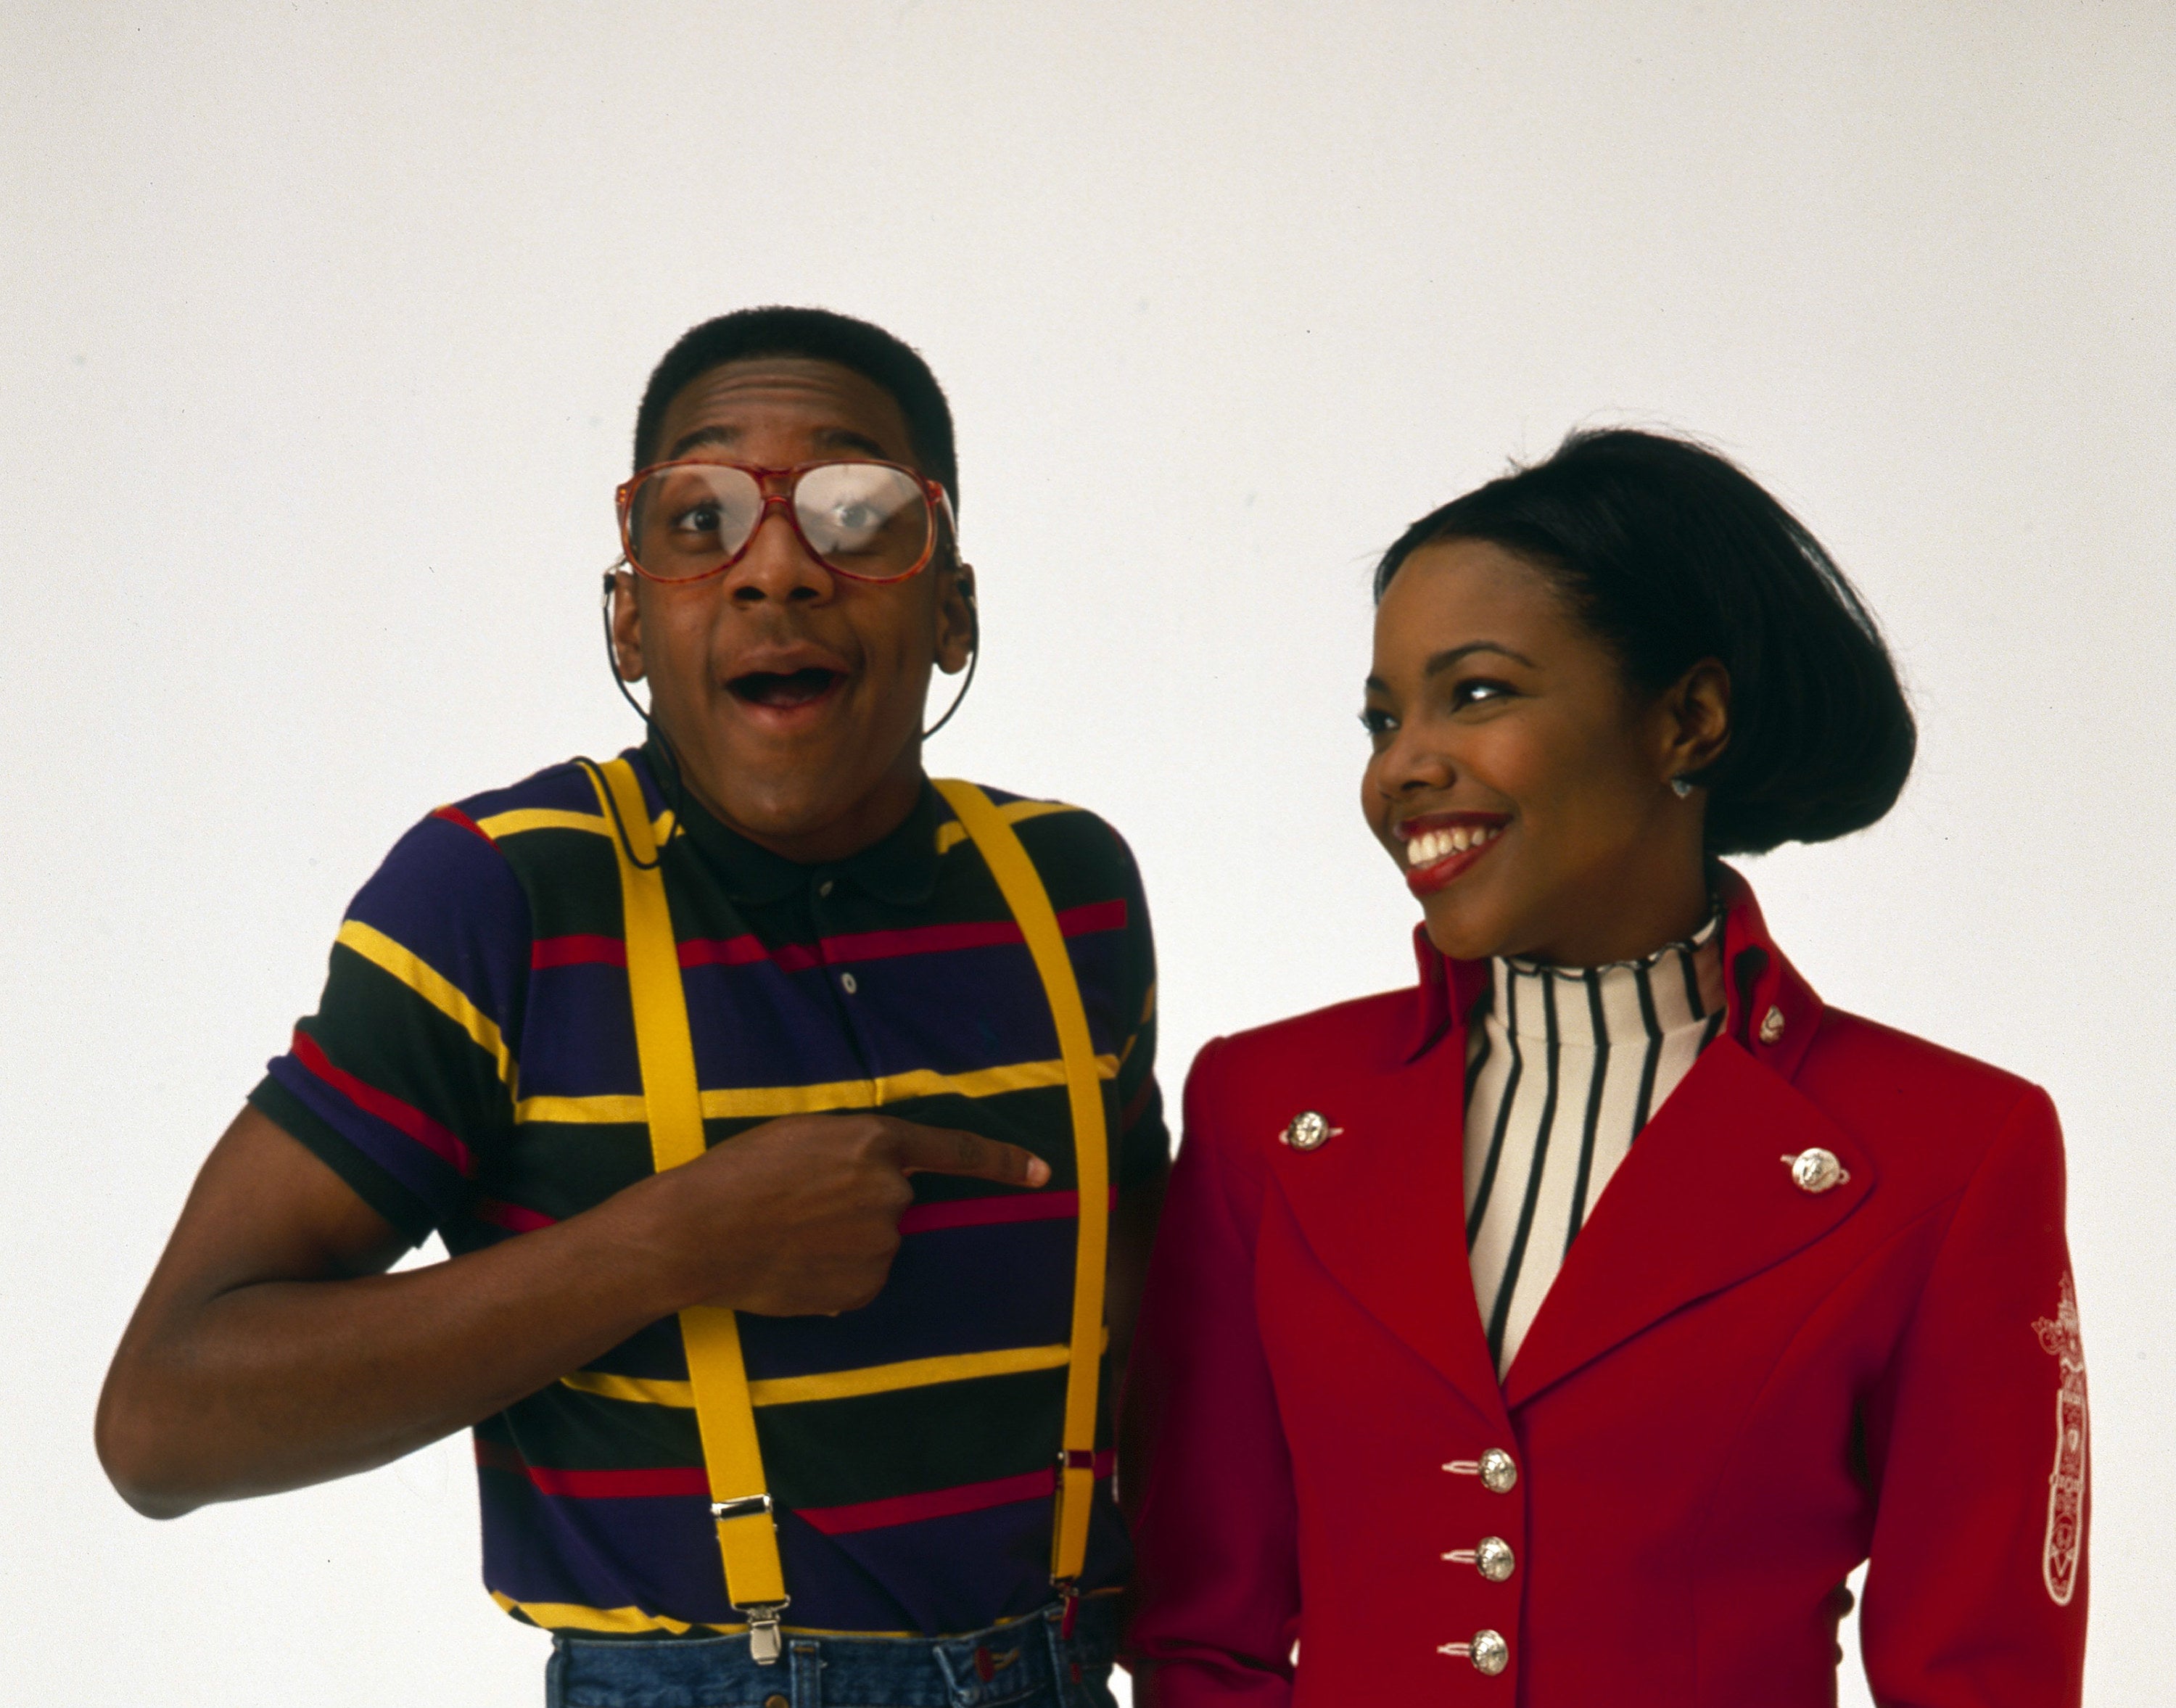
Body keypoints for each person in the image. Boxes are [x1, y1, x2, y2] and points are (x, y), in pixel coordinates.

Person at [98, 307, 1168, 1708]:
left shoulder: (1065, 887)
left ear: (953, 605)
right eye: (699, 518)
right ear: (631, 618)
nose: (777, 569)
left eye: (858, 511)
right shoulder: (503, 896)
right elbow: (166, 1420)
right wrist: (672, 1244)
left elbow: (1146, 1333)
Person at [1120, 429, 2088, 1705]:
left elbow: (1982, 1678)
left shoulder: (1953, 1151)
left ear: (1689, 719)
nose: (1401, 764)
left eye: (1476, 694)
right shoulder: (1265, 1109)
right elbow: (1202, 1632)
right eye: (1384, 715)